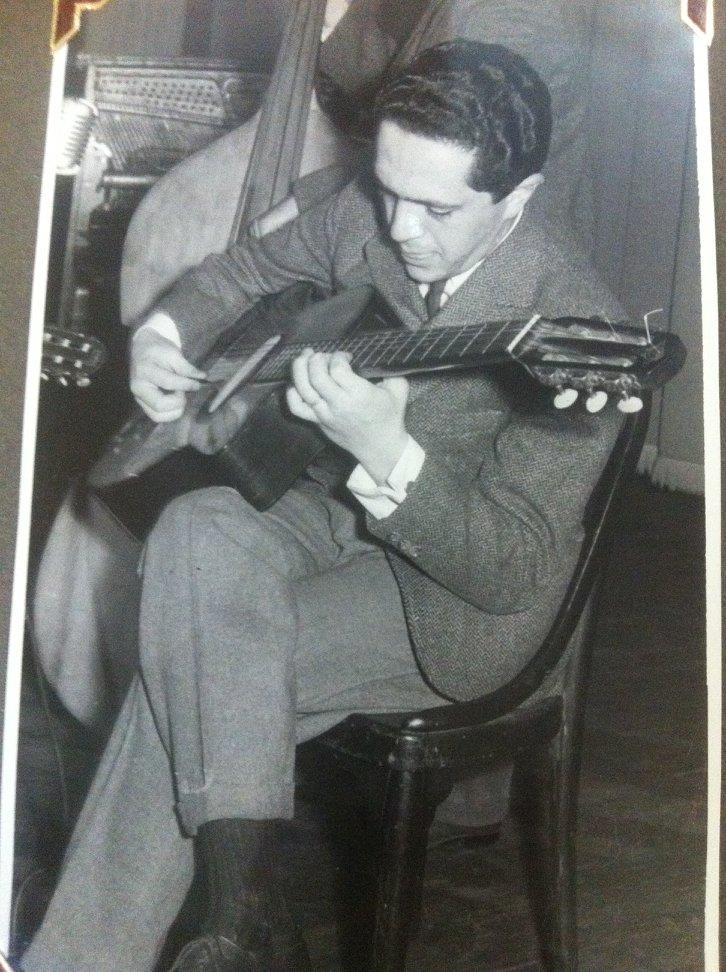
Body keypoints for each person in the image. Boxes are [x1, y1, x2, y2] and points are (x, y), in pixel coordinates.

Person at [24, 41, 623, 972]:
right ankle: (247, 913)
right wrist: (167, 331)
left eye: (436, 208)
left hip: (448, 604)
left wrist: (388, 449)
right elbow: (236, 276)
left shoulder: (571, 321)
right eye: (388, 192)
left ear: (519, 196)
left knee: (182, 666)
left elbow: (507, 569)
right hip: (323, 508)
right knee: (195, 530)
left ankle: (210, 925)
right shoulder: (375, 214)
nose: (402, 228)